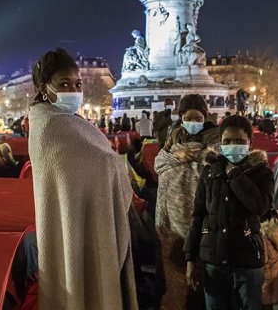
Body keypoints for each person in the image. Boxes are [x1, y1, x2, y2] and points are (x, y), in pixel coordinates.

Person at [27, 48, 137, 310]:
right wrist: (115, 167)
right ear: (45, 88)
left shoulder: (65, 121)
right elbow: (104, 161)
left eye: (77, 84)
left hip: (83, 217)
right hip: (74, 219)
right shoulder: (51, 125)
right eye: (63, 84)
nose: (73, 91)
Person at [184, 114, 274, 309]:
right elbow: (199, 215)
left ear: (250, 143)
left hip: (248, 259)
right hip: (214, 260)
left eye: (240, 141)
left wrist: (234, 174)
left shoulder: (261, 172)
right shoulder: (210, 172)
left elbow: (260, 207)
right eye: (228, 141)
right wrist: (190, 257)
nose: (233, 145)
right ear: (220, 143)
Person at [155, 94, 220, 309]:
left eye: (198, 117)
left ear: (205, 116)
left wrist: (190, 157)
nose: (193, 122)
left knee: (199, 275)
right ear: (181, 116)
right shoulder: (174, 135)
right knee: (173, 271)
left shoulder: (215, 137)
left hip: (200, 218)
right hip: (170, 219)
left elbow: (217, 166)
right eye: (188, 117)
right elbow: (161, 161)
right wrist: (178, 156)